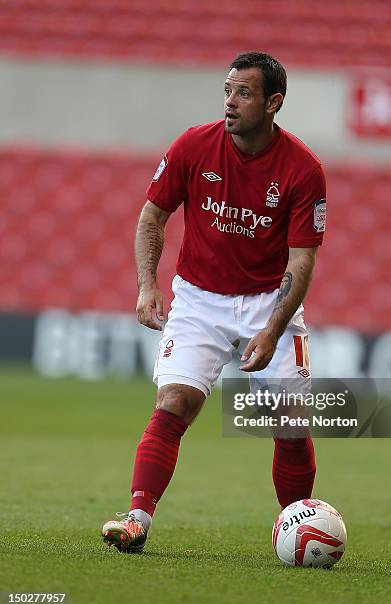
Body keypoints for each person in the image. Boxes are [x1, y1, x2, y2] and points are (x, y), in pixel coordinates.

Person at [102, 51, 327, 553]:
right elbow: (151, 218)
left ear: (274, 103)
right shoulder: (194, 145)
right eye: (227, 90)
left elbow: (302, 260)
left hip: (269, 301)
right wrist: (147, 284)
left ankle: (298, 527)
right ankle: (136, 519)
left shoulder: (303, 169)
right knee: (174, 403)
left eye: (243, 93)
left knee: (290, 424)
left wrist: (271, 330)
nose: (230, 102)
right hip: (200, 300)